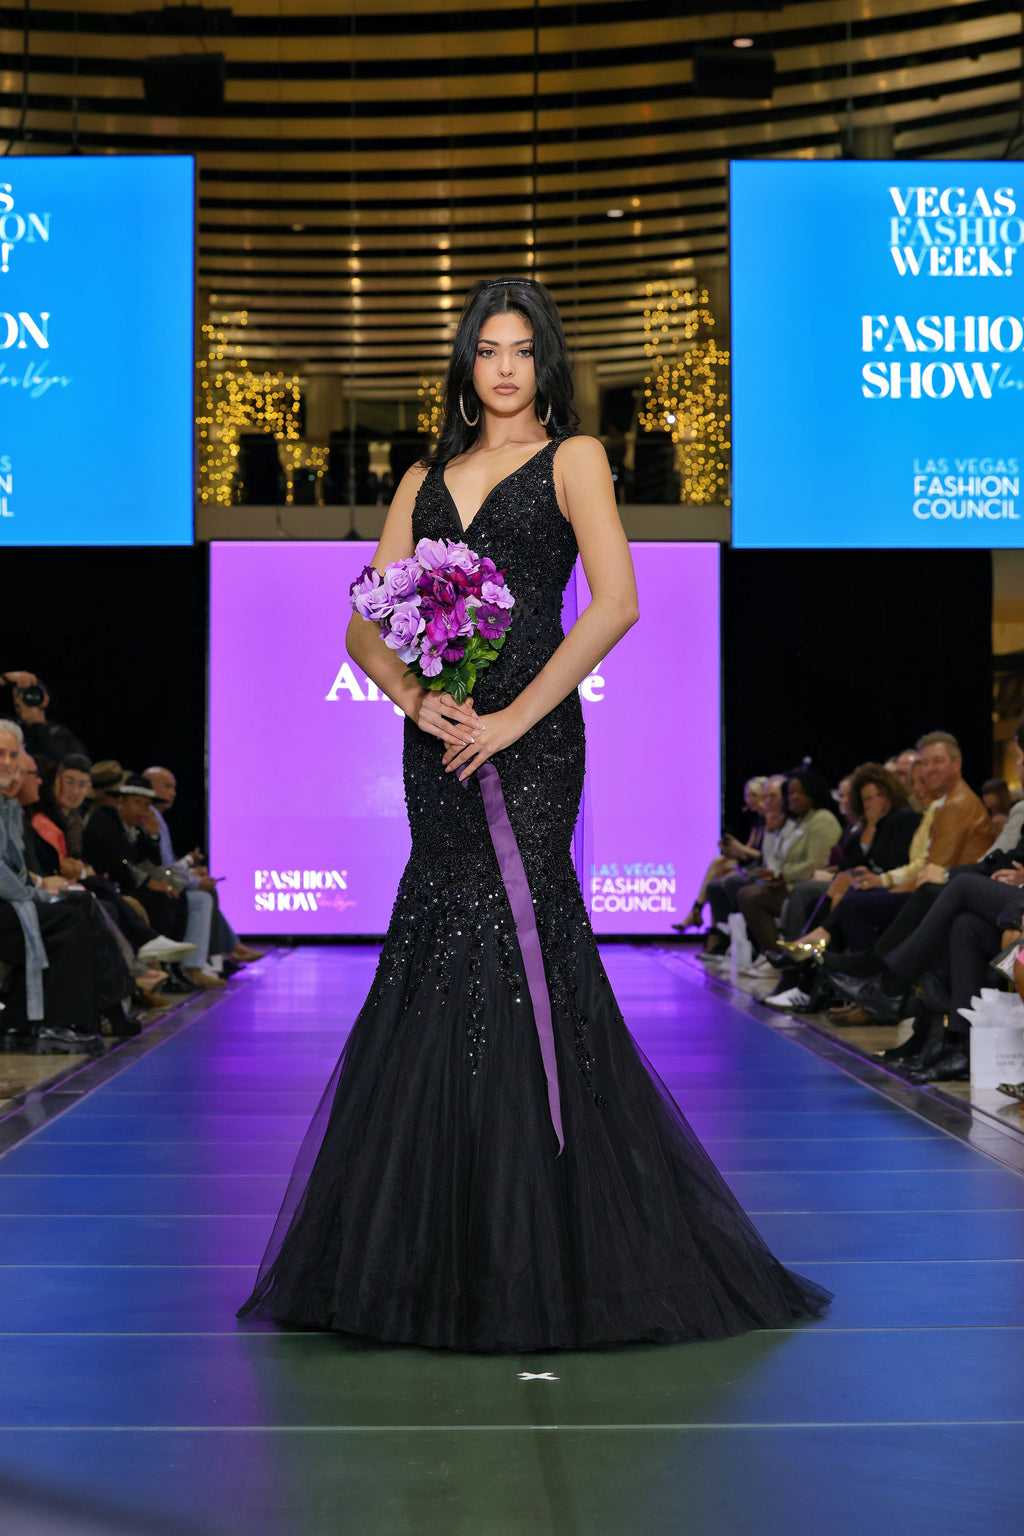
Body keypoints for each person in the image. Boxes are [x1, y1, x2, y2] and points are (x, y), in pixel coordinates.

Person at [238, 276, 829, 1348]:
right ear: (465, 364)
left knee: (521, 945)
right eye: (486, 350)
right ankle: (425, 1246)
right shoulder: (423, 475)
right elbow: (365, 628)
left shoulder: (575, 459)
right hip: (438, 747)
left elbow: (617, 601)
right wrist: (418, 698)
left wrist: (510, 720)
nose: (503, 367)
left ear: (544, 363)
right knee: (435, 943)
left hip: (533, 745)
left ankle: (557, 1238)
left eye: (521, 350)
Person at [735, 770, 842, 955]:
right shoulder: (799, 821)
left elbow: (817, 864)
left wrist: (782, 874)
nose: (793, 797)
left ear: (812, 792)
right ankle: (771, 953)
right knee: (743, 888)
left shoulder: (822, 820)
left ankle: (780, 955)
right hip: (789, 882)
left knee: (750, 896)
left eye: (799, 792)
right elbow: (777, 858)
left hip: (805, 886)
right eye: (790, 793)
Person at [673, 775, 766, 933]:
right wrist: (732, 849)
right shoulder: (757, 821)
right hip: (753, 865)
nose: (748, 800)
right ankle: (705, 921)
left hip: (764, 869)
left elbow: (764, 857)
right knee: (720, 863)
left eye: (752, 795)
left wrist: (740, 848)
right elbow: (748, 855)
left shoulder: (772, 820)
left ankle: (697, 912)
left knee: (720, 868)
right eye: (746, 796)